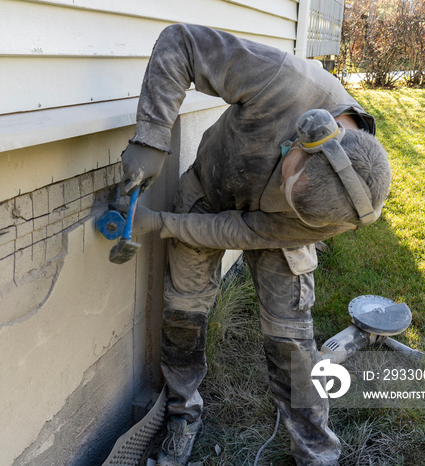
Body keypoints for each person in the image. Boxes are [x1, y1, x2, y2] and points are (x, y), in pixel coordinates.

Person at [119, 24, 391, 466]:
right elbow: (181, 43)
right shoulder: (283, 81)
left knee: (291, 338)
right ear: (309, 135)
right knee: (183, 309)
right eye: (290, 174)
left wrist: (163, 223)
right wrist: (151, 138)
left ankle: (316, 450)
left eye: (291, 199)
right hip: (210, 189)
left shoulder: (336, 214)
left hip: (273, 231)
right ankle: (183, 413)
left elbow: (243, 231)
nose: (278, 190)